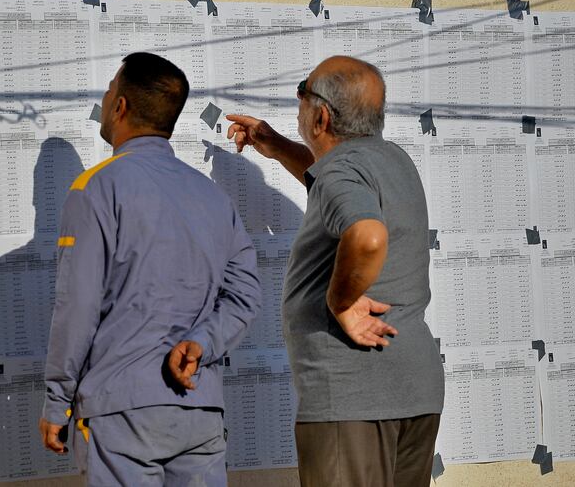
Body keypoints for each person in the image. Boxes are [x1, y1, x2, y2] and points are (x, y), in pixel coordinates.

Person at [39, 52, 261, 486]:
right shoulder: (212, 197)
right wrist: (202, 342)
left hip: (121, 415)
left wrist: (57, 402)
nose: (104, 101)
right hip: (199, 408)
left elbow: (78, 306)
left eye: (108, 92)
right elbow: (245, 294)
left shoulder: (94, 189)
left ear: (120, 106)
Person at [227, 56, 444, 487]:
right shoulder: (391, 160)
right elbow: (336, 191)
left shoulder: (342, 171)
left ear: (321, 115)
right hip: (412, 391)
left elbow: (367, 235)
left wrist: (340, 301)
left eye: (302, 90)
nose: (299, 102)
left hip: (353, 397)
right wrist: (279, 147)